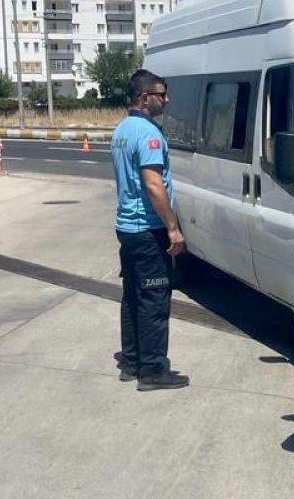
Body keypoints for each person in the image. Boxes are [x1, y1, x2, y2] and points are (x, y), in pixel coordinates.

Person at [110, 69, 189, 392]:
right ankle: (153, 370)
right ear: (144, 97)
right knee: (154, 298)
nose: (166, 100)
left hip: (127, 228)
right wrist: (173, 228)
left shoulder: (122, 129)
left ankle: (131, 362)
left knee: (132, 296)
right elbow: (153, 184)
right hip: (147, 229)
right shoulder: (148, 134)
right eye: (161, 95)